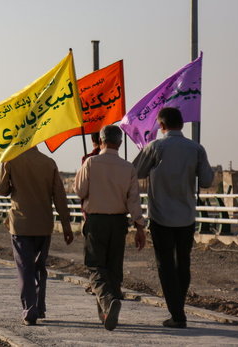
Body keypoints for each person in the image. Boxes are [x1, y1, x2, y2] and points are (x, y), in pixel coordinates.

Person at [133, 107, 214, 329]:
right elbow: (206, 180)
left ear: (161, 126)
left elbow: (135, 172)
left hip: (160, 217)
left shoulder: (156, 147)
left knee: (166, 265)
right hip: (186, 216)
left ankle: (177, 315)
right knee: (183, 263)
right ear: (183, 124)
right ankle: (179, 310)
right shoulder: (196, 148)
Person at [74, 125, 146, 331]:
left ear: (101, 141)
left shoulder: (91, 163)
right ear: (120, 143)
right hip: (118, 222)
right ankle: (106, 314)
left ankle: (107, 302)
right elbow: (134, 201)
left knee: (95, 267)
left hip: (96, 221)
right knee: (113, 269)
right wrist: (140, 227)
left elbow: (79, 191)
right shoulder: (128, 168)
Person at [0, 146, 74, 326]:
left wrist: (2, 164)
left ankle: (30, 310)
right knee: (39, 266)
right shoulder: (48, 162)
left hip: (21, 225)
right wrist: (66, 226)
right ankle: (39, 306)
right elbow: (60, 197)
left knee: (25, 268)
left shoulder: (10, 160)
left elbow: (1, 190)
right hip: (43, 224)